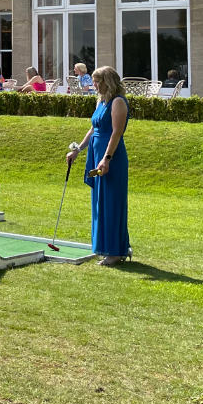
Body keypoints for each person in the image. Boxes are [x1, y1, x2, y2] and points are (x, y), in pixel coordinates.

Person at [68, 65, 131, 266]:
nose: (93, 84)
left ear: (107, 83)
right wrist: (78, 149)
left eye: (97, 81)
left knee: (111, 203)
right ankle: (105, 247)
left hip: (111, 156)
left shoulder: (118, 102)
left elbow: (116, 133)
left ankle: (116, 251)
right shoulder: (101, 101)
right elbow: (94, 128)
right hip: (96, 154)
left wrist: (107, 158)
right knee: (99, 203)